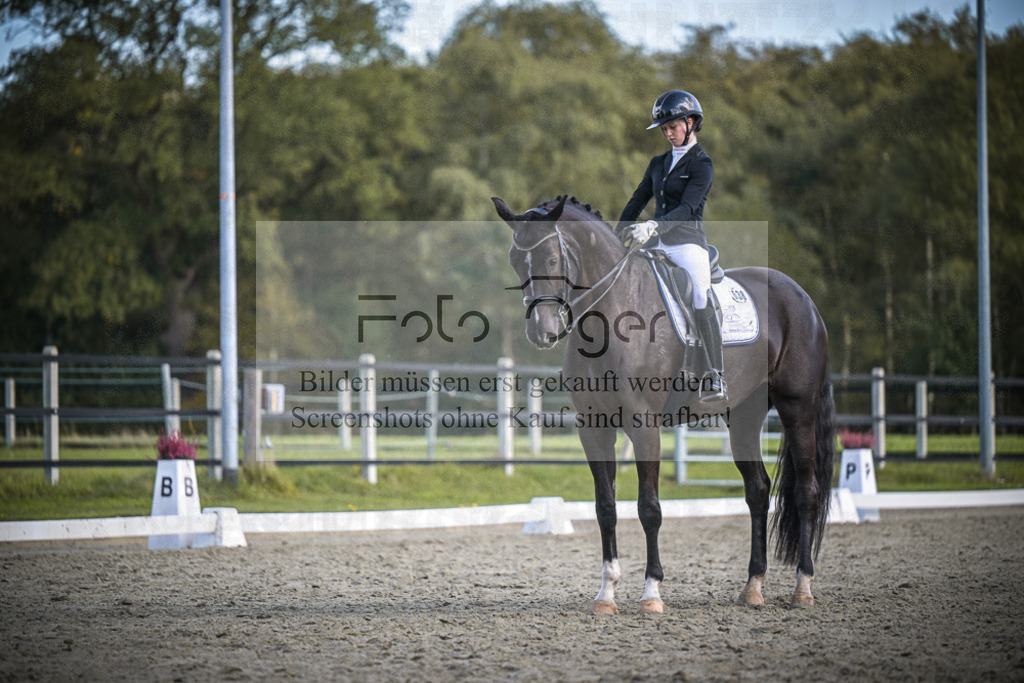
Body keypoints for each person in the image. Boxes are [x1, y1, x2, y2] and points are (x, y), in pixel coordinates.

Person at [617, 90, 727, 402]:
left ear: (691, 123)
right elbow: (637, 201)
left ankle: (715, 374)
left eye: (673, 127)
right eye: (664, 129)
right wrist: (616, 235)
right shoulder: (658, 163)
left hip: (688, 246)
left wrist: (654, 224)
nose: (668, 133)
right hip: (657, 244)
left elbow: (688, 208)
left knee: (700, 295)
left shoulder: (702, 164)